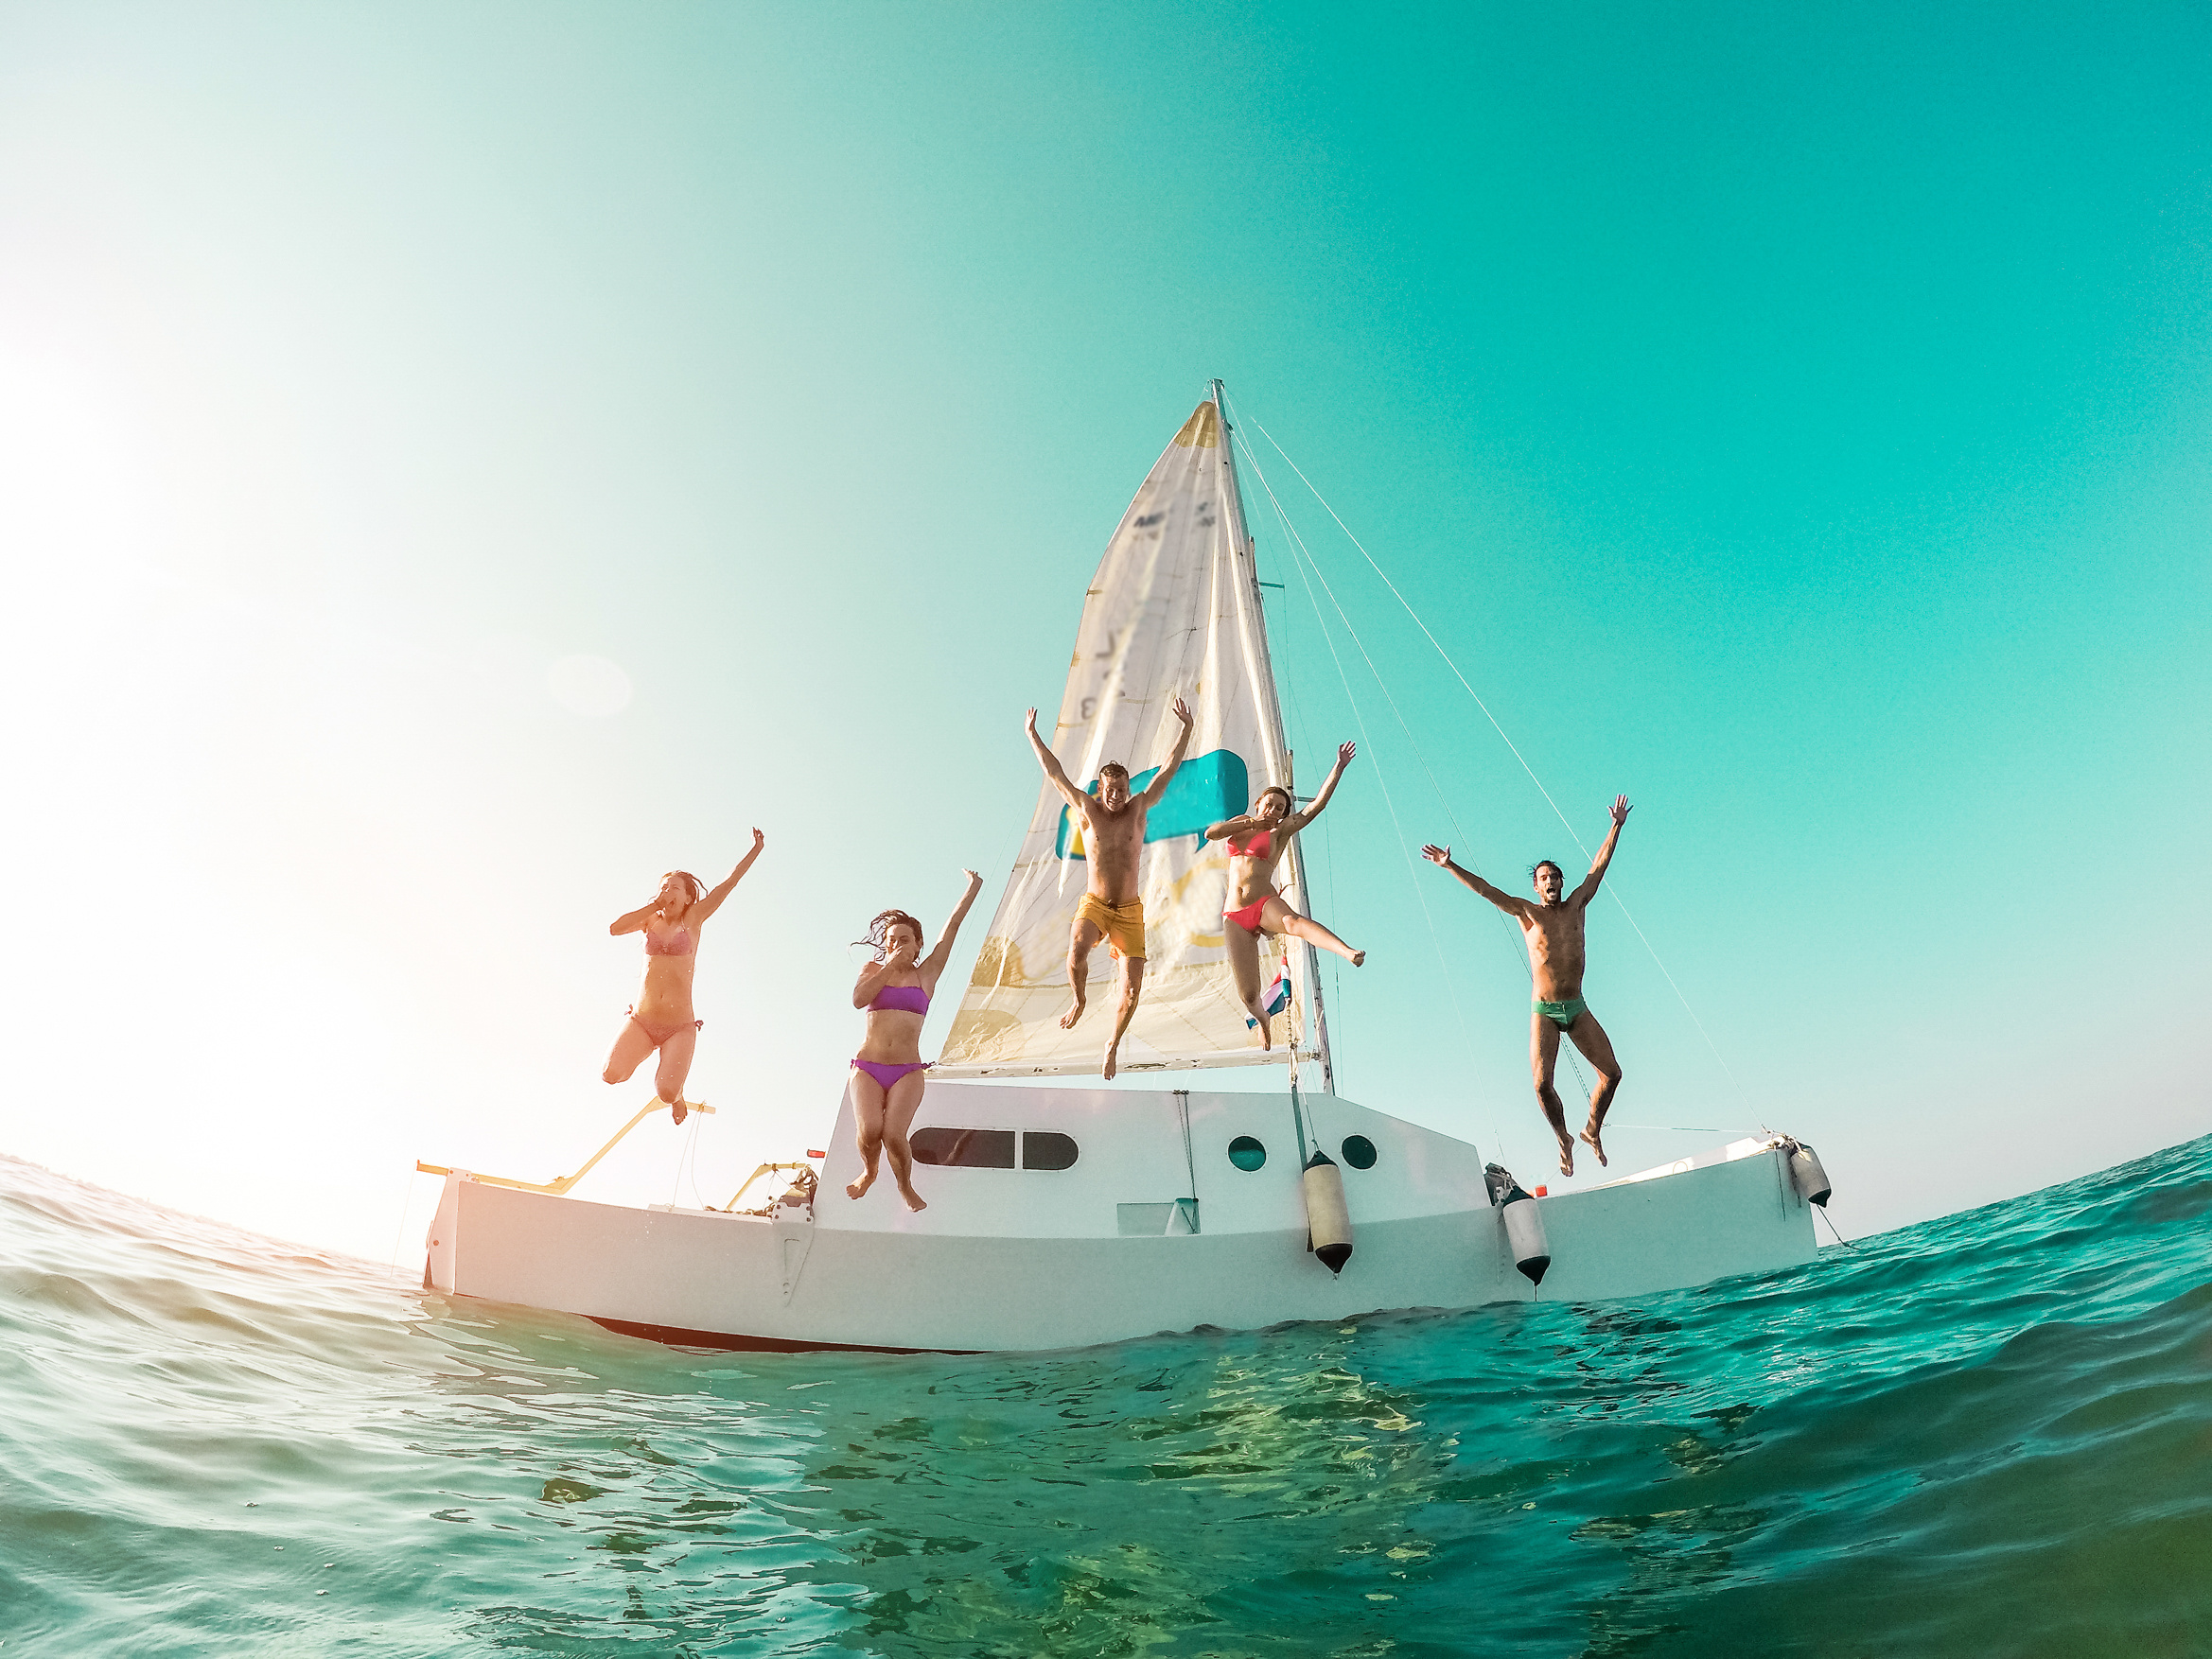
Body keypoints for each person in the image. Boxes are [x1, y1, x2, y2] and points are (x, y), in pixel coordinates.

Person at [1422, 795, 1632, 1177]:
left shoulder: (1577, 905)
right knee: (1541, 1085)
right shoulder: (1527, 912)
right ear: (1536, 886)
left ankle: (1591, 1130)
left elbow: (1599, 867)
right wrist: (1449, 864)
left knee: (1613, 1074)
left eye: (1555, 877)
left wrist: (1615, 825)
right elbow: (1486, 891)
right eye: (1544, 878)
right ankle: (1562, 1137)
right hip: (1546, 1010)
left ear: (1562, 883)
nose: (1550, 882)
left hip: (1577, 1007)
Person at [1025, 697, 1195, 1079]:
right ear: (1100, 790)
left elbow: (1168, 770)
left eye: (1122, 788)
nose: (1117, 795)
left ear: (1128, 787)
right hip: (1097, 904)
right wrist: (1033, 735)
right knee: (1077, 948)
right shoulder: (1088, 809)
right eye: (1110, 790)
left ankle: (1112, 1044)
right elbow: (1055, 775)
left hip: (1131, 912)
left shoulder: (1139, 807)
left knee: (1132, 992)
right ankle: (1079, 999)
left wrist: (1186, 729)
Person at [1203, 742, 1366, 1046]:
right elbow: (1210, 834)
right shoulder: (1240, 823)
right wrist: (1252, 822)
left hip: (1263, 902)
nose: (1274, 810)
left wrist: (1339, 767)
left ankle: (1347, 951)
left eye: (1280, 807)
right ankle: (1262, 1018)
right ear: (1258, 805)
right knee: (1248, 994)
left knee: (1292, 921)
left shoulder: (1279, 832)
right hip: (1234, 914)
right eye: (1269, 804)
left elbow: (1316, 806)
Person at [602, 830, 764, 1125]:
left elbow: (728, 884)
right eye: (664, 887)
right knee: (610, 1075)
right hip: (642, 1020)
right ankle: (650, 1053)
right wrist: (654, 905)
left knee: (665, 1091)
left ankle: (677, 1098)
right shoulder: (650, 920)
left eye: (675, 888)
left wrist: (756, 850)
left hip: (678, 1026)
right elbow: (615, 928)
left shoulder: (694, 919)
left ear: (688, 896)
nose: (668, 891)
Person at [846, 870, 986, 1212]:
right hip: (867, 1067)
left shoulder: (927, 975)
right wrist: (887, 967)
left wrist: (973, 889)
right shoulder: (871, 969)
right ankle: (869, 1171)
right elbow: (859, 999)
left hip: (906, 1069)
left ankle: (905, 1186)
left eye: (905, 939)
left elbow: (951, 929)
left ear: (918, 944)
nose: (896, 945)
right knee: (870, 1132)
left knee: (894, 1134)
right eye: (892, 940)